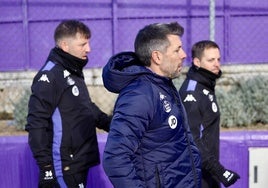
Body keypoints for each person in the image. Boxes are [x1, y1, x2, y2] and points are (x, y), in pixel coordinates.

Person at [102, 22, 201, 188]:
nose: (183, 55)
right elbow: (115, 158)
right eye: (177, 50)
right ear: (157, 57)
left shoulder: (163, 84)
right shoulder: (140, 94)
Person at [25, 20, 111, 188]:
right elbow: (36, 123)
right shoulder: (50, 76)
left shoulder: (72, 70)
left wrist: (114, 125)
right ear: (65, 45)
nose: (89, 49)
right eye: (83, 44)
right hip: (62, 167)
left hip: (79, 161)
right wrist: (46, 168)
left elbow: (85, 108)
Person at [179, 40, 240, 188]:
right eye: (211, 60)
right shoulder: (192, 93)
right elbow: (191, 138)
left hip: (207, 172)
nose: (216, 64)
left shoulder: (205, 84)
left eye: (218, 59)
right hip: (195, 176)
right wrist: (220, 171)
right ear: (197, 62)